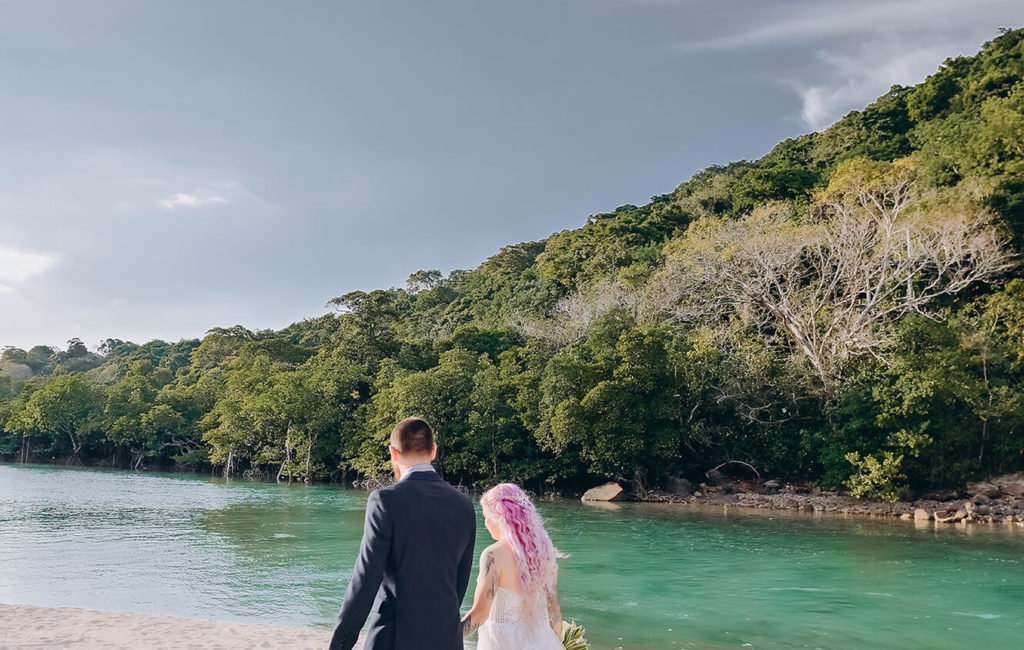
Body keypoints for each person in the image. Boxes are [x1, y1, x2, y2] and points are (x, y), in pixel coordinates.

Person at [328, 417, 476, 650]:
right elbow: (459, 583)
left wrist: (340, 644)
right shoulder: (464, 505)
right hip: (447, 639)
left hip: (395, 638)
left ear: (393, 453)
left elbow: (366, 578)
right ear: (433, 451)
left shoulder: (385, 500)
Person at [461, 483, 565, 650]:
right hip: (542, 641)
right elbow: (555, 616)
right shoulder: (543, 553)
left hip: (502, 643)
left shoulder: (493, 555)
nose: (486, 523)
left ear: (498, 517)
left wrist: (447, 638)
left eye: (486, 516)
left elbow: (480, 613)